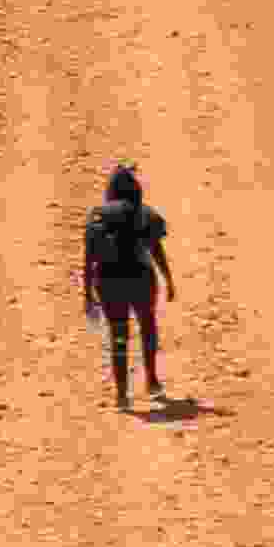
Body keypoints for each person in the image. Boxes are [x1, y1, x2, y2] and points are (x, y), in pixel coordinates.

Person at [80, 164, 178, 408]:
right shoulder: (146, 214)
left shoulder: (97, 215)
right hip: (141, 281)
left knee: (119, 336)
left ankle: (122, 395)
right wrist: (168, 279)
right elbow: (156, 250)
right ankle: (152, 380)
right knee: (147, 327)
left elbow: (89, 259)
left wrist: (87, 294)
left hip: (109, 283)